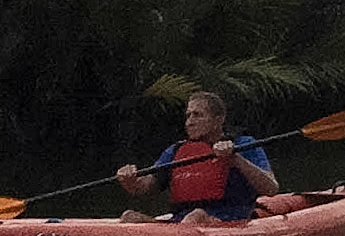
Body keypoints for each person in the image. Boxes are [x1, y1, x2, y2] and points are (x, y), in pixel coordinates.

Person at [116, 90, 279, 224]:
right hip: (182, 221)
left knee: (196, 216)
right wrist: (130, 181)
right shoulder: (175, 151)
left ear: (218, 120)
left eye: (198, 115)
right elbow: (143, 187)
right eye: (188, 116)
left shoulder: (243, 144)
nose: (189, 122)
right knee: (129, 217)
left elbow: (271, 188)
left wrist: (235, 159)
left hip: (230, 220)